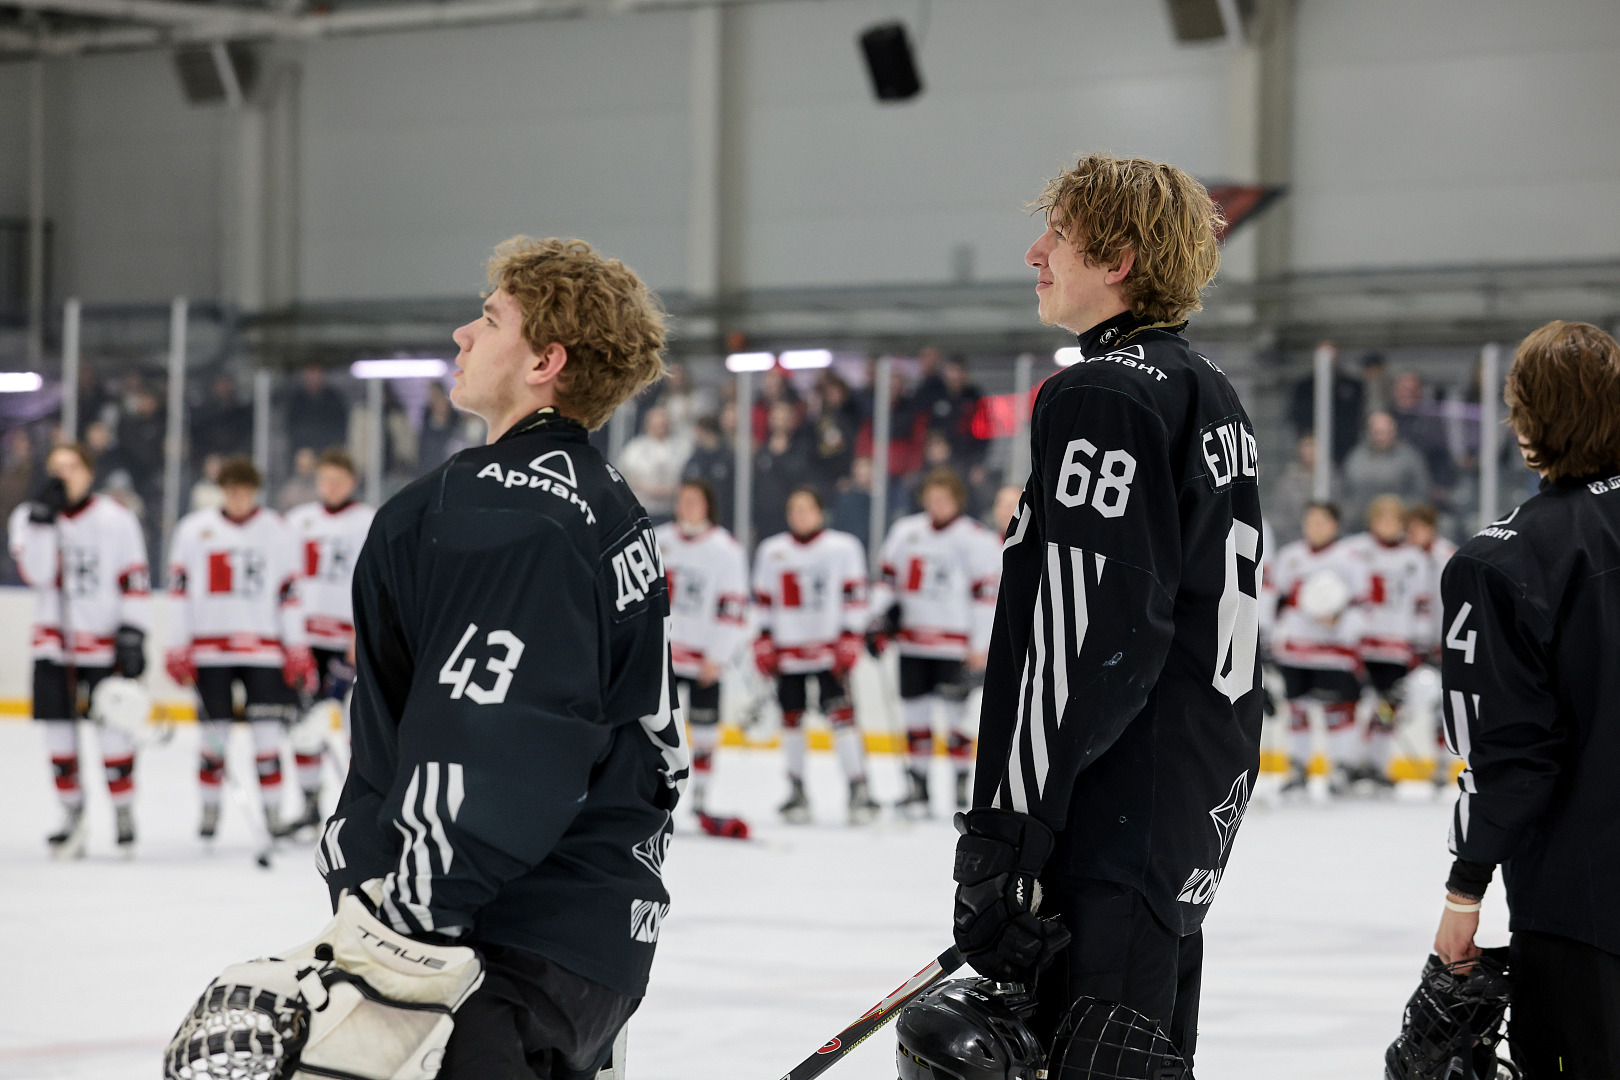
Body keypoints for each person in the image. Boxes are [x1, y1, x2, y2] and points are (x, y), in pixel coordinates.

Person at [315, 236, 685, 1080]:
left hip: (493, 945)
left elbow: (486, 740)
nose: (463, 335)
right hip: (587, 936)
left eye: (489, 320)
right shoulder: (605, 499)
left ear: (545, 362)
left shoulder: (496, 509)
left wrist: (401, 939)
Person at [955, 154, 1263, 1067]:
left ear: (1118, 259)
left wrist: (1009, 834)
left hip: (1110, 814)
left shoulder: (1102, 392)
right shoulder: (1206, 387)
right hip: (1180, 808)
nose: (1035, 253)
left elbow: (1086, 635)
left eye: (1058, 236)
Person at [1432, 321, 1620, 1075]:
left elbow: (1510, 757)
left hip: (1584, 910)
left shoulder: (1500, 562)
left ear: (1525, 421)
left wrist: (1464, 892)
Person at [7, 442, 150, 857]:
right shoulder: (28, 517)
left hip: (104, 646)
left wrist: (134, 631)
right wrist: (42, 522)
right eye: (56, 467)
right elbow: (37, 574)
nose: (63, 475)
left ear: (89, 472)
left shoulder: (116, 518)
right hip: (54, 646)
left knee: (114, 735)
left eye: (72, 467)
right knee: (59, 739)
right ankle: (72, 815)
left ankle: (123, 810)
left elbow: (134, 576)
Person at [165, 456, 318, 839]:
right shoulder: (193, 530)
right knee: (212, 738)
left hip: (263, 650)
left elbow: (289, 594)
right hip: (209, 652)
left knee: (268, 737)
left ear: (255, 492)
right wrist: (177, 645)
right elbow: (179, 593)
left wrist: (297, 647)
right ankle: (209, 811)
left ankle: (272, 814)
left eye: (245, 491)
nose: (238, 498)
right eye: (231, 490)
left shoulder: (277, 530)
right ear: (222, 491)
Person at [872, 468, 999, 814]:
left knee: (957, 718)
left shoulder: (976, 537)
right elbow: (887, 580)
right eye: (932, 497)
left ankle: (960, 783)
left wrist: (980, 645)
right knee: (915, 715)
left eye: (944, 498)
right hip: (912, 641)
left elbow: (986, 596)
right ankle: (918, 784)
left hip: (954, 646)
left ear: (958, 500)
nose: (937, 504)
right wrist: (878, 619)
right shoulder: (905, 531)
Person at [753, 486, 878, 824]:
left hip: (829, 652)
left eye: (806, 508)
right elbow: (763, 600)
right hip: (788, 652)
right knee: (790, 720)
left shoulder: (843, 548)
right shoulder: (772, 551)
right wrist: (763, 639)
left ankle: (858, 787)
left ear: (820, 512)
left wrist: (850, 636)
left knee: (843, 719)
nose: (800, 515)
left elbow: (855, 595)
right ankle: (796, 789)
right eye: (794, 508)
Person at [283, 448, 375, 835]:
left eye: (339, 480)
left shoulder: (368, 520)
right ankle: (308, 802)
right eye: (326, 479)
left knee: (358, 724)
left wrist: (360, 634)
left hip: (346, 639)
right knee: (306, 722)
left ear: (352, 482)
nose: (331, 487)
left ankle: (359, 804)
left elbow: (373, 582)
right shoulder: (297, 520)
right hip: (306, 639)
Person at [655, 478, 748, 814]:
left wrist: (718, 655)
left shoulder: (726, 549)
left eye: (694, 500)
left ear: (707, 505)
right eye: (682, 500)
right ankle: (652, 792)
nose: (687, 507)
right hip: (661, 655)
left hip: (703, 658)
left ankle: (701, 796)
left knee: (705, 729)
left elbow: (733, 607)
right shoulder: (658, 539)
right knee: (653, 728)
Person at [1270, 501, 1366, 790]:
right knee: (1297, 710)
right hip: (1295, 650)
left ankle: (1340, 768)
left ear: (1334, 525)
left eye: (1322, 522)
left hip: (1333, 653)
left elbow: (1363, 604)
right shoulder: (1290, 556)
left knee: (1337, 711)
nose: (1315, 527)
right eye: (1310, 521)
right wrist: (1274, 636)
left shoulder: (1350, 558)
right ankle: (1298, 767)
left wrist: (1339, 620)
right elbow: (1277, 600)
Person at [1342, 494, 1427, 786]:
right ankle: (1350, 764)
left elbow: (1421, 604)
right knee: (1356, 705)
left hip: (1396, 646)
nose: (1387, 524)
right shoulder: (1354, 550)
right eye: (1382, 518)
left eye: (1393, 519)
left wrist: (1419, 642)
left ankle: (1377, 765)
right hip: (1361, 644)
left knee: (1388, 710)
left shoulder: (1414, 558)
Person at [1339, 411, 1431, 526]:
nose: (1381, 436)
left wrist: (1397, 512)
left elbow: (1421, 494)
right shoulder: (1356, 457)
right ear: (1369, 432)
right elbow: (1343, 492)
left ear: (1394, 431)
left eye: (1386, 432)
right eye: (1377, 432)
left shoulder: (1410, 457)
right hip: (1358, 523)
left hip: (1400, 523)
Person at [617, 403, 686, 522]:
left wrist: (672, 489)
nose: (660, 428)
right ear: (648, 424)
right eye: (656, 425)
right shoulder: (635, 449)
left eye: (663, 424)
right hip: (643, 508)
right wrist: (646, 488)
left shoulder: (680, 448)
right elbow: (624, 475)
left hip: (671, 510)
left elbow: (686, 475)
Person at [681, 414, 735, 531]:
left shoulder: (728, 458)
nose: (696, 436)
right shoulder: (694, 459)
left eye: (698, 432)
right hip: (698, 520)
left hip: (724, 520)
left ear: (708, 432)